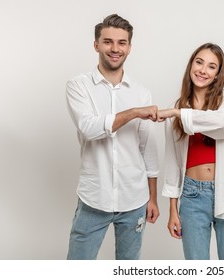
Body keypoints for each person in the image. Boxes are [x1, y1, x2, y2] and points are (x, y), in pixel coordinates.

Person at [66, 14, 159, 260]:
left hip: (135, 200)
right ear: (96, 45)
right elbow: (89, 127)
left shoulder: (141, 92)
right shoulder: (78, 86)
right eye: (108, 42)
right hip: (93, 198)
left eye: (121, 43)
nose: (115, 49)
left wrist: (152, 198)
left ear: (129, 47)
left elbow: (147, 149)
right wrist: (133, 113)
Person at [157, 43, 224, 260]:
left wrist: (177, 112)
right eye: (199, 62)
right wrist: (173, 210)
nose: (203, 70)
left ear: (217, 75)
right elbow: (172, 162)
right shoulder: (177, 109)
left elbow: (219, 121)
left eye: (211, 67)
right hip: (192, 196)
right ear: (191, 65)